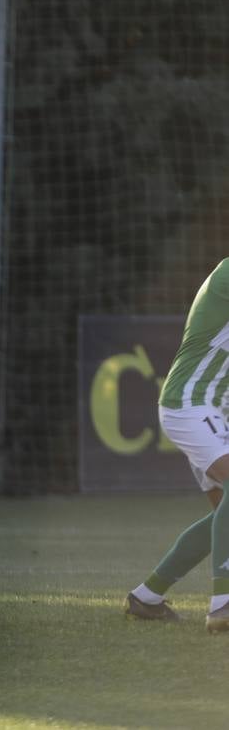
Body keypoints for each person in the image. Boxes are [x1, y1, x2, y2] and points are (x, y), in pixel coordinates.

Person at [124, 258, 229, 632]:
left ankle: (148, 597)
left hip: (215, 410)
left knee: (223, 516)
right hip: (190, 403)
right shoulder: (227, 273)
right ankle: (223, 605)